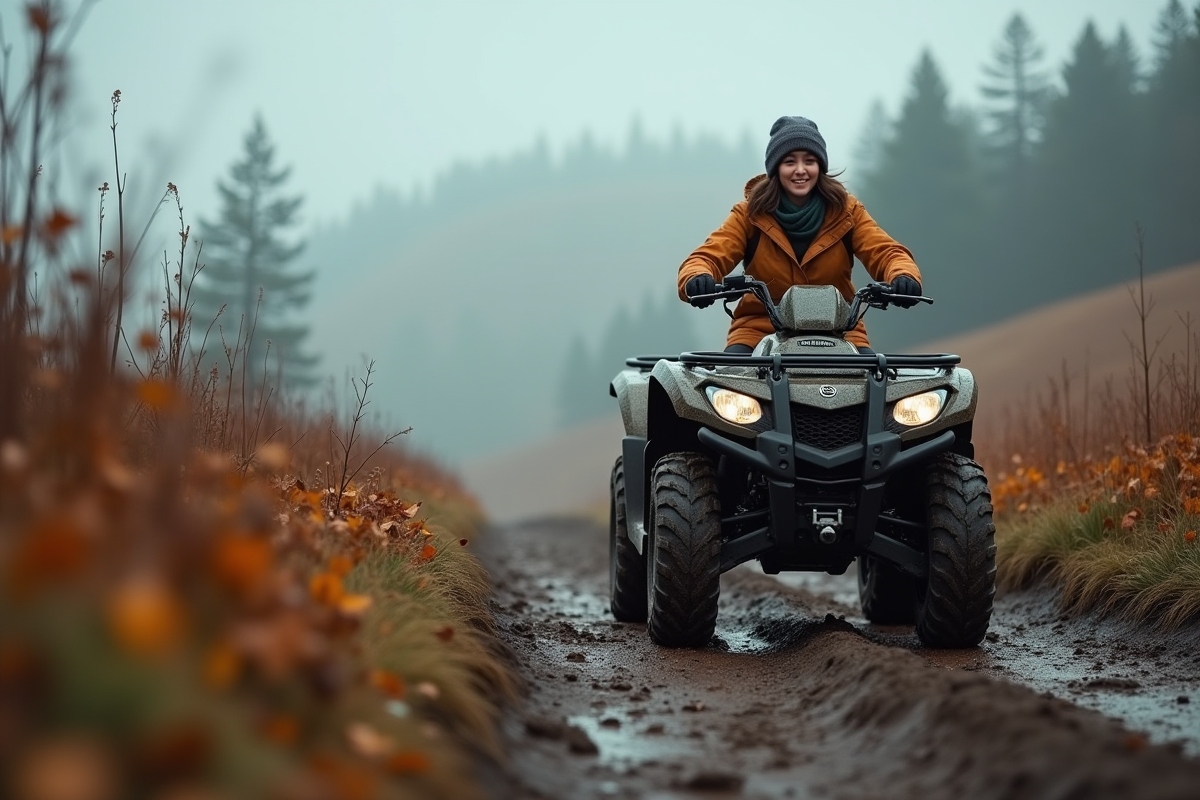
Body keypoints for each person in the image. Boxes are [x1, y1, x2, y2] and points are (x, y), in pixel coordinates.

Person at [677, 115, 923, 354]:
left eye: (809, 161)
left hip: (840, 331)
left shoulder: (848, 211)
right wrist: (698, 277)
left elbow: (885, 251)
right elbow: (709, 255)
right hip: (759, 330)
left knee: (879, 387)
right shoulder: (749, 214)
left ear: (820, 166)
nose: (800, 170)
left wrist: (903, 275)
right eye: (789, 161)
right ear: (776, 168)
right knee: (727, 384)